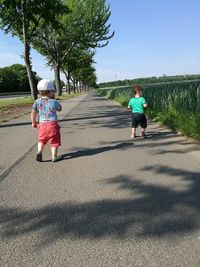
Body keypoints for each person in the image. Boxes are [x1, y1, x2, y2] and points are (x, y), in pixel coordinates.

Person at [31, 79, 62, 162]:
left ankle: (39, 151)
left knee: (42, 139)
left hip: (42, 125)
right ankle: (54, 157)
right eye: (53, 91)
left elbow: (33, 113)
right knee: (54, 141)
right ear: (51, 92)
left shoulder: (37, 102)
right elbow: (60, 109)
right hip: (53, 125)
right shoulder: (54, 101)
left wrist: (33, 122)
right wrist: (55, 100)